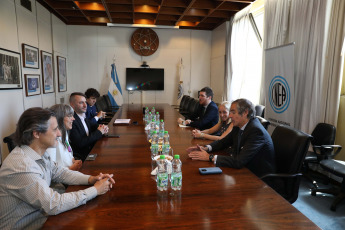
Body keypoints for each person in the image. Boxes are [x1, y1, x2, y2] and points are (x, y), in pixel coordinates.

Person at [0, 107, 115, 230]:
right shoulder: (21, 166)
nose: (59, 133)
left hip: (43, 217)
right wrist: (95, 190)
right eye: (55, 129)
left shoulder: (40, 152)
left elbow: (61, 173)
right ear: (37, 133)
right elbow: (53, 204)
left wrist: (92, 179)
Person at [187, 98, 275, 177]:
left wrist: (210, 157)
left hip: (259, 179)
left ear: (245, 113)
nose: (229, 116)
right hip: (244, 171)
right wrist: (206, 148)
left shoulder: (256, 131)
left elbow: (239, 161)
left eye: (233, 112)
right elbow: (224, 141)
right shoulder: (239, 125)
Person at [69, 92, 109, 161]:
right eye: (81, 103)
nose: (85, 105)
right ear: (72, 105)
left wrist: (103, 127)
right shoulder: (72, 120)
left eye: (85, 102)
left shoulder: (82, 115)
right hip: (83, 156)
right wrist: (99, 132)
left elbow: (93, 125)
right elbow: (80, 143)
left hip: (92, 149)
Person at [46, 104, 82, 170]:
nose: (73, 119)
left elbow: (68, 151)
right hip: (63, 178)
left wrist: (73, 160)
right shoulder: (51, 140)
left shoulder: (64, 132)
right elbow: (51, 170)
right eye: (69, 116)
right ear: (59, 118)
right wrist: (71, 169)